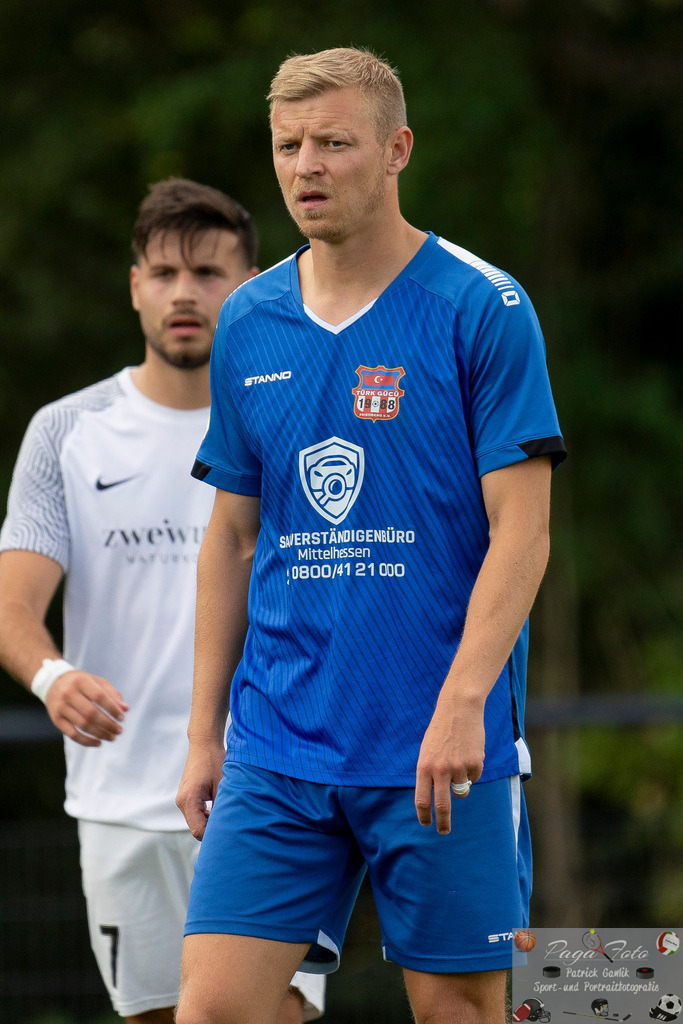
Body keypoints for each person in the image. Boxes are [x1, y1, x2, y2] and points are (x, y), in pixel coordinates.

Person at [175, 48, 566, 1024]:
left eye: (333, 143)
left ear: (395, 150)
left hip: (438, 737)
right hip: (278, 737)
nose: (306, 165)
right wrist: (200, 731)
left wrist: (463, 701)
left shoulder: (482, 307)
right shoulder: (248, 320)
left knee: (461, 1011)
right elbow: (229, 538)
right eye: (288, 145)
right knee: (214, 1010)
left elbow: (522, 531)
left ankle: (632, 990)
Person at [0, 178, 325, 1024]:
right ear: (134, 285)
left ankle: (619, 990)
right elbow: (11, 610)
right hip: (121, 799)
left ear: (253, 284)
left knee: (271, 1014)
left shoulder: (294, 421)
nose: (185, 292)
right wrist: (50, 677)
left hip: (273, 785)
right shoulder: (67, 430)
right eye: (164, 272)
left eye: (210, 273)